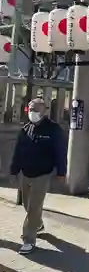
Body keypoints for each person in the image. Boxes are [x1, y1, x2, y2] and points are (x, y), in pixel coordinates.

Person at [10, 98, 67, 255]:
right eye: (30, 109)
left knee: (34, 207)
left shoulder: (53, 130)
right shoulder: (25, 129)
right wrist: (14, 171)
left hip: (42, 174)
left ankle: (28, 239)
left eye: (35, 109)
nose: (32, 112)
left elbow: (60, 153)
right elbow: (18, 152)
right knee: (27, 204)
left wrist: (61, 172)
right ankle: (38, 224)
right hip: (25, 172)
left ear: (44, 111)